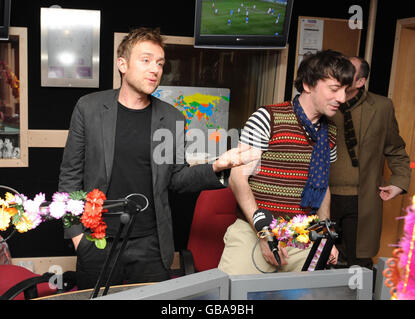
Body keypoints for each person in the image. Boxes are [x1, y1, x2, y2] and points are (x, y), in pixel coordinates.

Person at [58, 27, 258, 289]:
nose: (155, 69)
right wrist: (76, 236)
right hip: (97, 240)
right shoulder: (89, 108)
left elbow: (177, 178)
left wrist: (218, 166)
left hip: (150, 244)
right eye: (146, 60)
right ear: (122, 64)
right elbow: (69, 176)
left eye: (160, 63)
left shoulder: (172, 117)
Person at [218, 50, 356, 275]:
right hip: (254, 231)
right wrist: (264, 233)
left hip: (300, 234)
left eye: (345, 90)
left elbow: (322, 186)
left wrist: (324, 236)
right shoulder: (267, 118)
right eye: (334, 88)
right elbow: (238, 178)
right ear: (308, 84)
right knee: (232, 297)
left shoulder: (330, 132)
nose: (342, 98)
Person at [328, 56, 411, 269]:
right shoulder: (323, 103)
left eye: (347, 71)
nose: (340, 73)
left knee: (359, 264)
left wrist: (399, 182)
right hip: (323, 199)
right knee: (318, 258)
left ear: (360, 81)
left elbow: (396, 149)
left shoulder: (382, 107)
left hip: (362, 200)